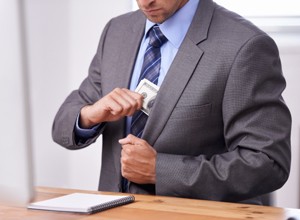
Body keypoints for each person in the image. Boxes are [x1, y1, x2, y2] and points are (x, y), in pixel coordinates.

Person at [52, 0, 291, 205]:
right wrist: (91, 115)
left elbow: (268, 163)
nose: (145, 2)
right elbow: (62, 126)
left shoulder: (245, 45)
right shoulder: (117, 31)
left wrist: (160, 170)